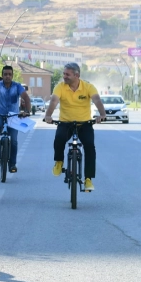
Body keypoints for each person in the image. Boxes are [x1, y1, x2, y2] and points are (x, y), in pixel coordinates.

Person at [44, 62, 106, 192]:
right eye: (64, 73)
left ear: (77, 75)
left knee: (89, 146)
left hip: (84, 124)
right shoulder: (60, 87)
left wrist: (102, 114)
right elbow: (54, 101)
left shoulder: (88, 87)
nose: (64, 76)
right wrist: (48, 115)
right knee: (59, 139)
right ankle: (59, 161)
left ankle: (88, 179)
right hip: (65, 123)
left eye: (67, 74)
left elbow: (97, 100)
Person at [0, 66, 31, 173]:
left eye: (9, 74)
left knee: (14, 141)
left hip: (13, 116)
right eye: (5, 74)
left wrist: (27, 111)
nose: (7, 76)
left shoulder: (17, 86)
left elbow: (26, 97)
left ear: (12, 75)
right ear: (2, 75)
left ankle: (12, 164)